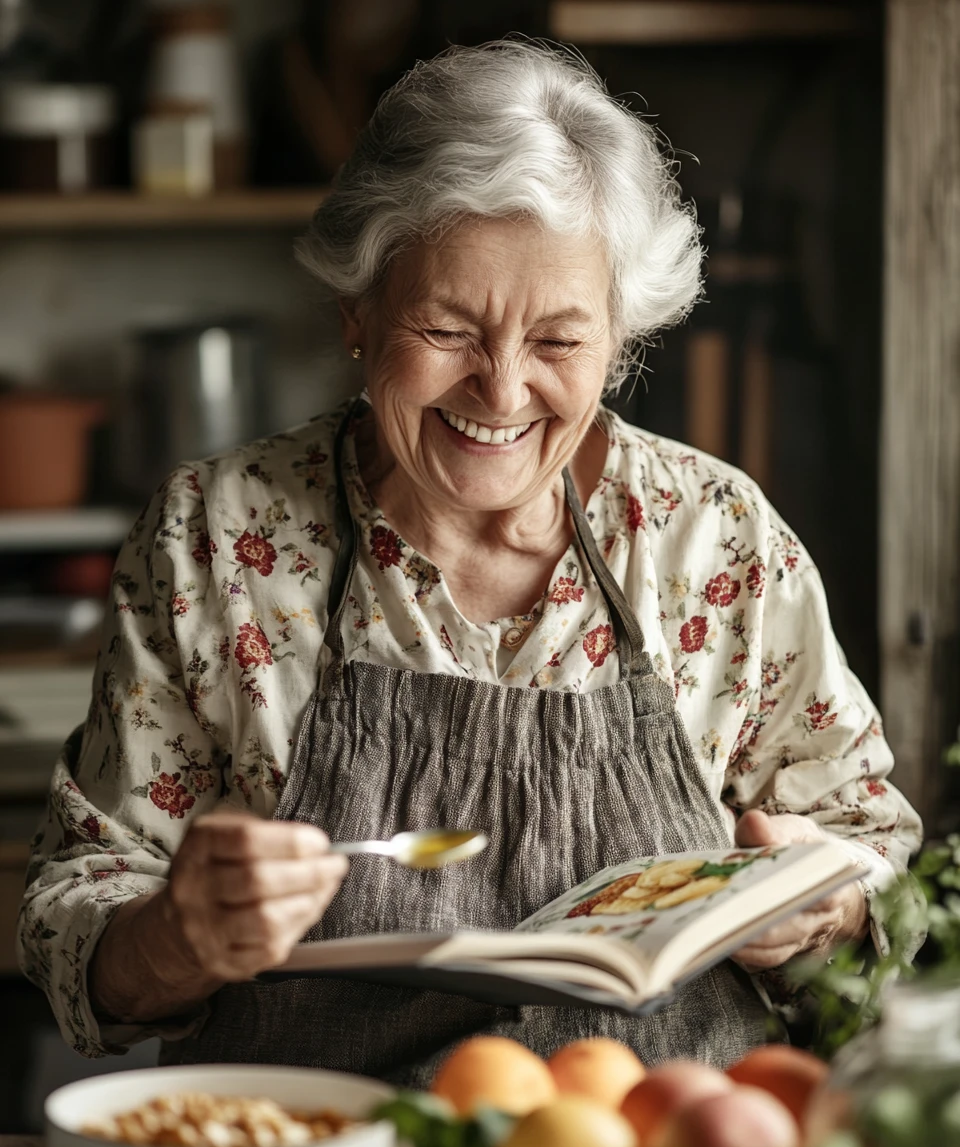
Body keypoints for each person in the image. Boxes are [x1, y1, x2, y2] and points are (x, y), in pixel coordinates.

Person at [18, 41, 921, 1079]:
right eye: (447, 328)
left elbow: (883, 876)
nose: (499, 392)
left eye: (558, 343)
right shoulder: (217, 540)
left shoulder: (716, 538)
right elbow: (73, 914)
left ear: (621, 338)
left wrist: (820, 912)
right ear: (356, 312)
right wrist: (173, 939)